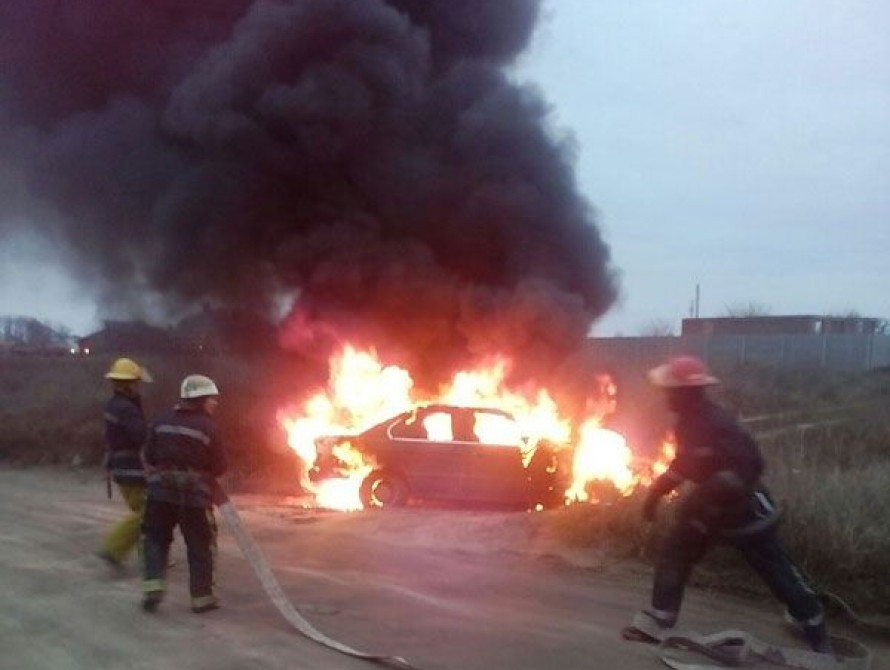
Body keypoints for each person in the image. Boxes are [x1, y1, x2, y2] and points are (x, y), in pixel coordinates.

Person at [639, 355, 830, 653]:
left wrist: (715, 489)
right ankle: (661, 619)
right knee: (676, 552)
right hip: (708, 508)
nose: (666, 396)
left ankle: (816, 630)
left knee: (775, 569)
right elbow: (684, 465)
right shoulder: (691, 421)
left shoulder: (713, 422)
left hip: (744, 509)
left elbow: (751, 465)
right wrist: (656, 493)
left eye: (670, 391)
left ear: (685, 392)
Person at [141, 374, 227, 613]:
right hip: (194, 498)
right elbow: (219, 467)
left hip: (160, 493)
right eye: (211, 399)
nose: (214, 403)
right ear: (201, 400)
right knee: (200, 544)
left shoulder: (161, 420)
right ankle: (201, 598)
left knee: (155, 538)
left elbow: (149, 456)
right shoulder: (209, 427)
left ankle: (153, 586)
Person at [97, 357, 152, 567]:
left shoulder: (115, 404)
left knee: (146, 514)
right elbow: (141, 436)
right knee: (147, 512)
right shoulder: (126, 408)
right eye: (136, 383)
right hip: (131, 468)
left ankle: (151, 555)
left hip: (121, 467)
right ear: (127, 384)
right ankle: (113, 548)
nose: (139, 387)